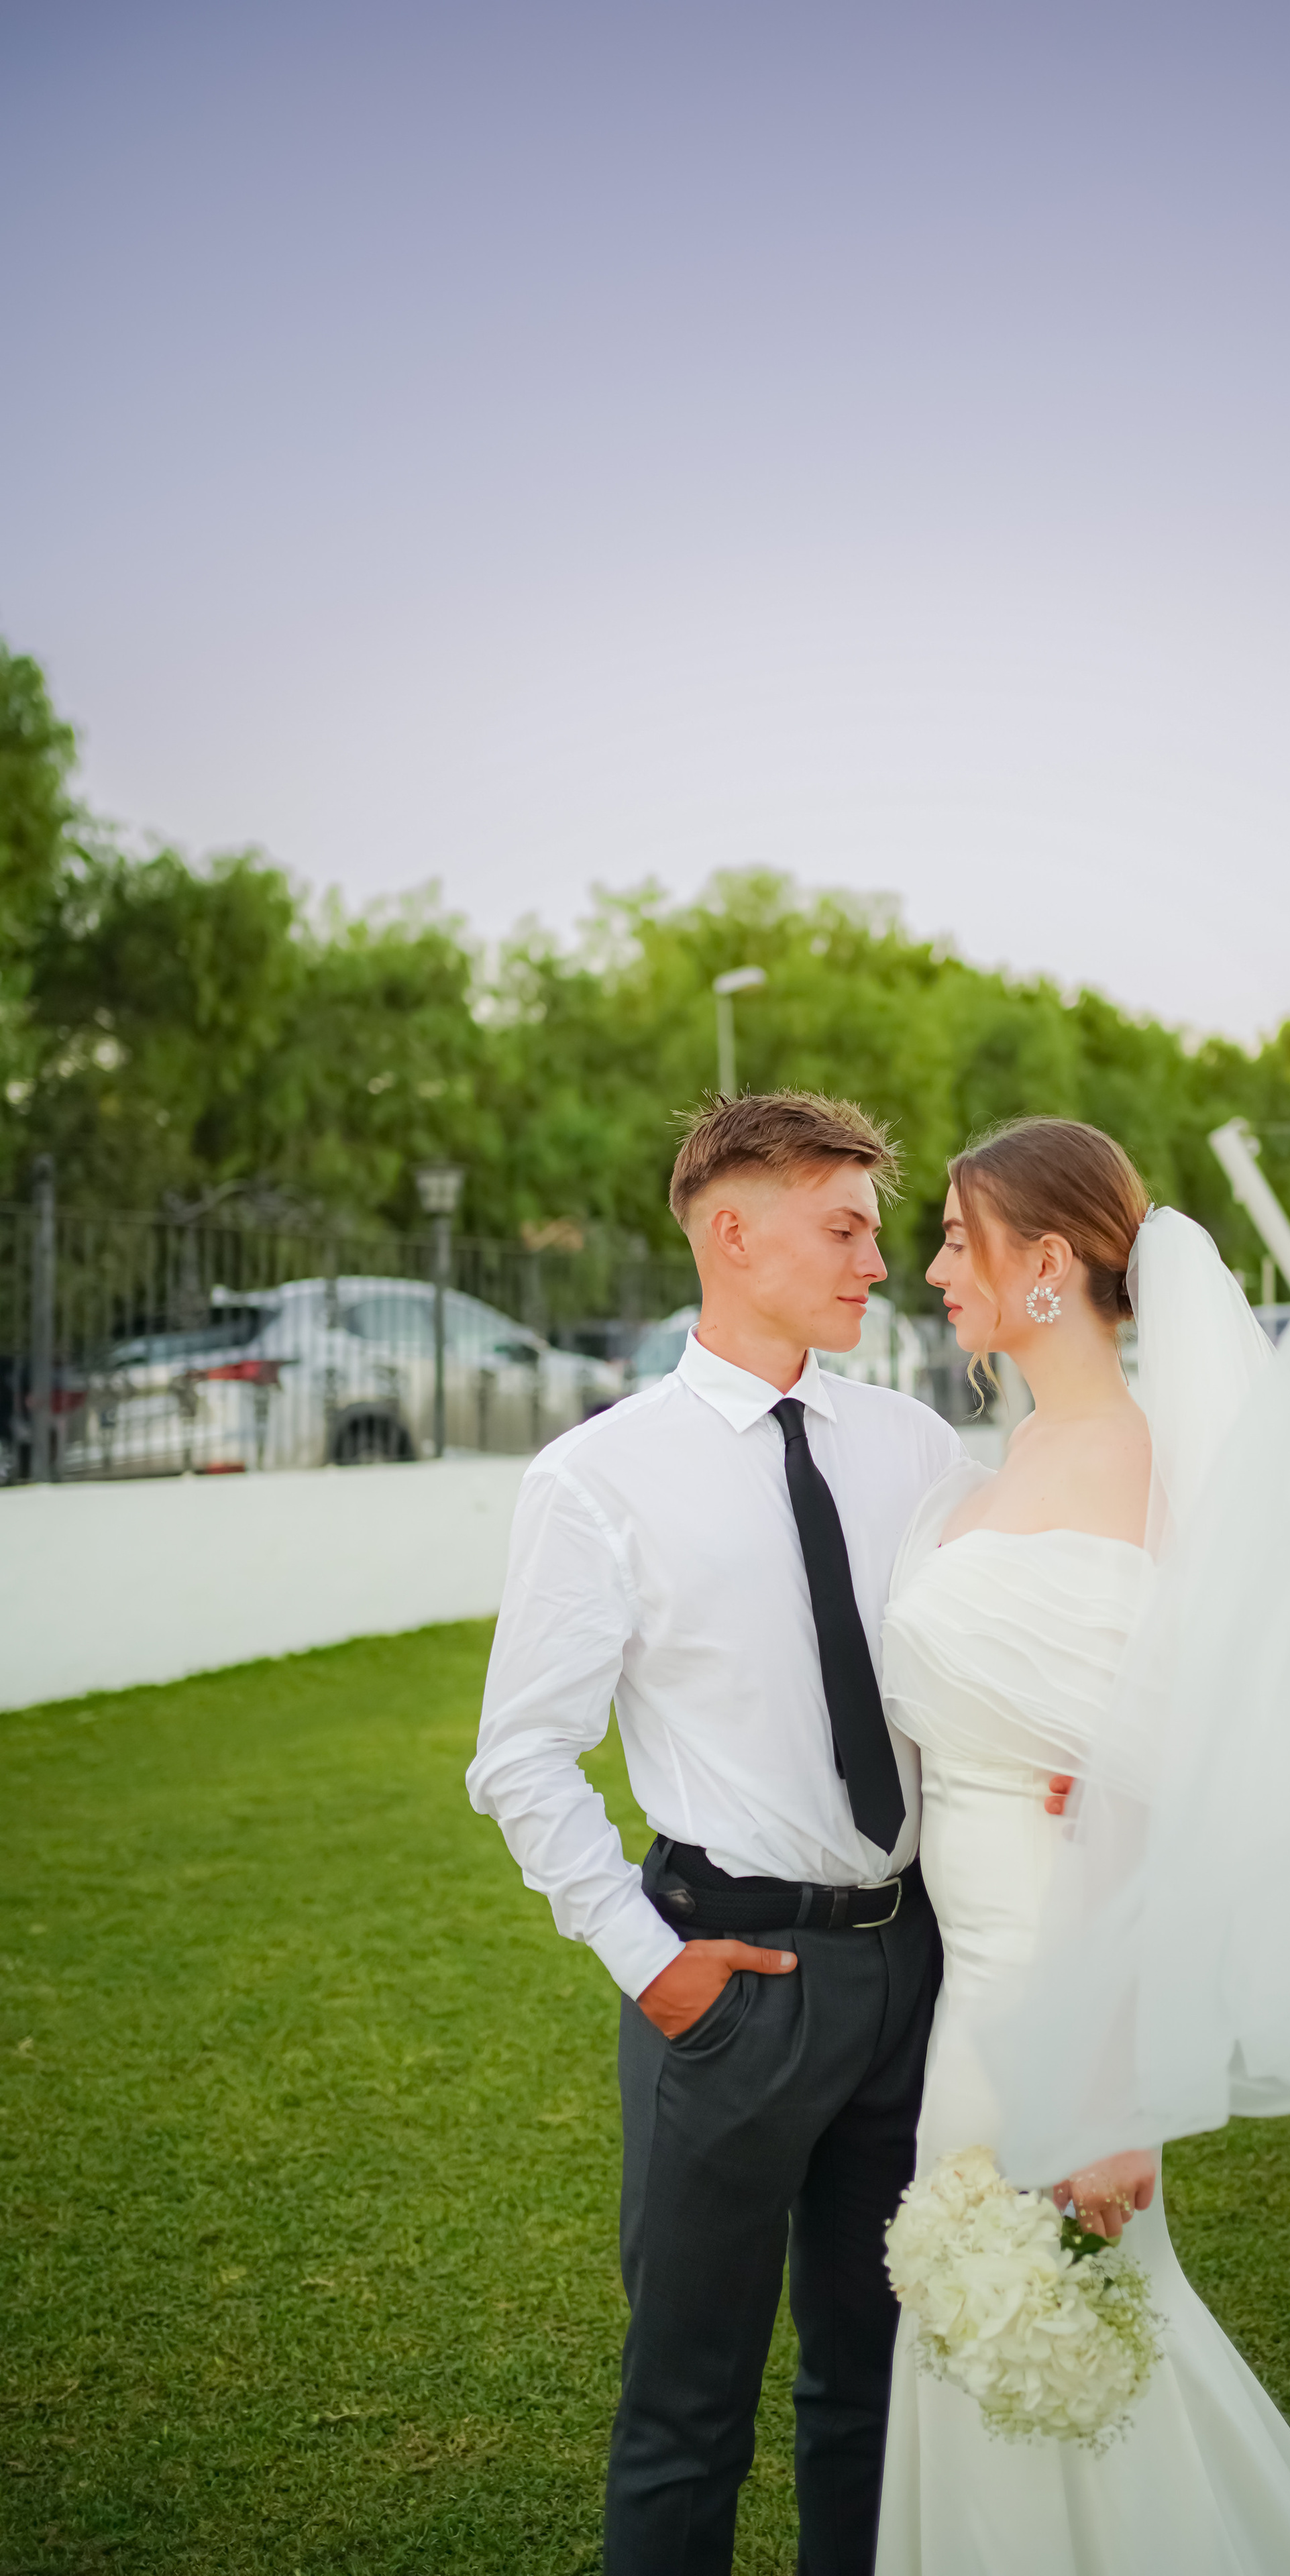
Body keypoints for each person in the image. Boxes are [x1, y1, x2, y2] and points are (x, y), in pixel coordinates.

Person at [874, 1117, 1290, 2575]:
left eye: (956, 1240)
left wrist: (1112, 2091)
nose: (928, 1269)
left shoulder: (1141, 1467)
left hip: (1053, 1995)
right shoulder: (1028, 1445)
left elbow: (1156, 1787)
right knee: (999, 2343)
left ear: (1045, 1263)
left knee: (1061, 2337)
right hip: (968, 1978)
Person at [467, 1089, 965, 2576]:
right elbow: (521, 1759)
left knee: (873, 2392)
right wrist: (651, 1964)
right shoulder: (597, 1478)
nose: (876, 1264)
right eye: (846, 1229)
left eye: (876, 1235)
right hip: (726, 1983)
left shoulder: (918, 1449)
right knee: (687, 2410)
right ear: (730, 1232)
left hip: (912, 1974)